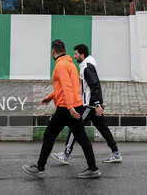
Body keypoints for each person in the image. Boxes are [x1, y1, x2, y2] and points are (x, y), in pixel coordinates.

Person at [22, 40, 101, 179]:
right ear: (64, 51)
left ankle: (40, 167)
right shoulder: (70, 64)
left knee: (49, 135)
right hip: (76, 105)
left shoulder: (60, 66)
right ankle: (93, 168)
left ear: (53, 52)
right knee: (82, 138)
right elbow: (66, 87)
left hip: (66, 108)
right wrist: (50, 97)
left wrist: (69, 108)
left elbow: (67, 87)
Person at [51, 44, 122, 165]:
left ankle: (66, 155)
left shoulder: (87, 67)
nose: (74, 56)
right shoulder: (85, 65)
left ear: (82, 55)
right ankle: (116, 153)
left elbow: (95, 85)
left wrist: (98, 104)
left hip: (89, 106)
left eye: (76, 54)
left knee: (75, 127)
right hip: (91, 104)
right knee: (103, 128)